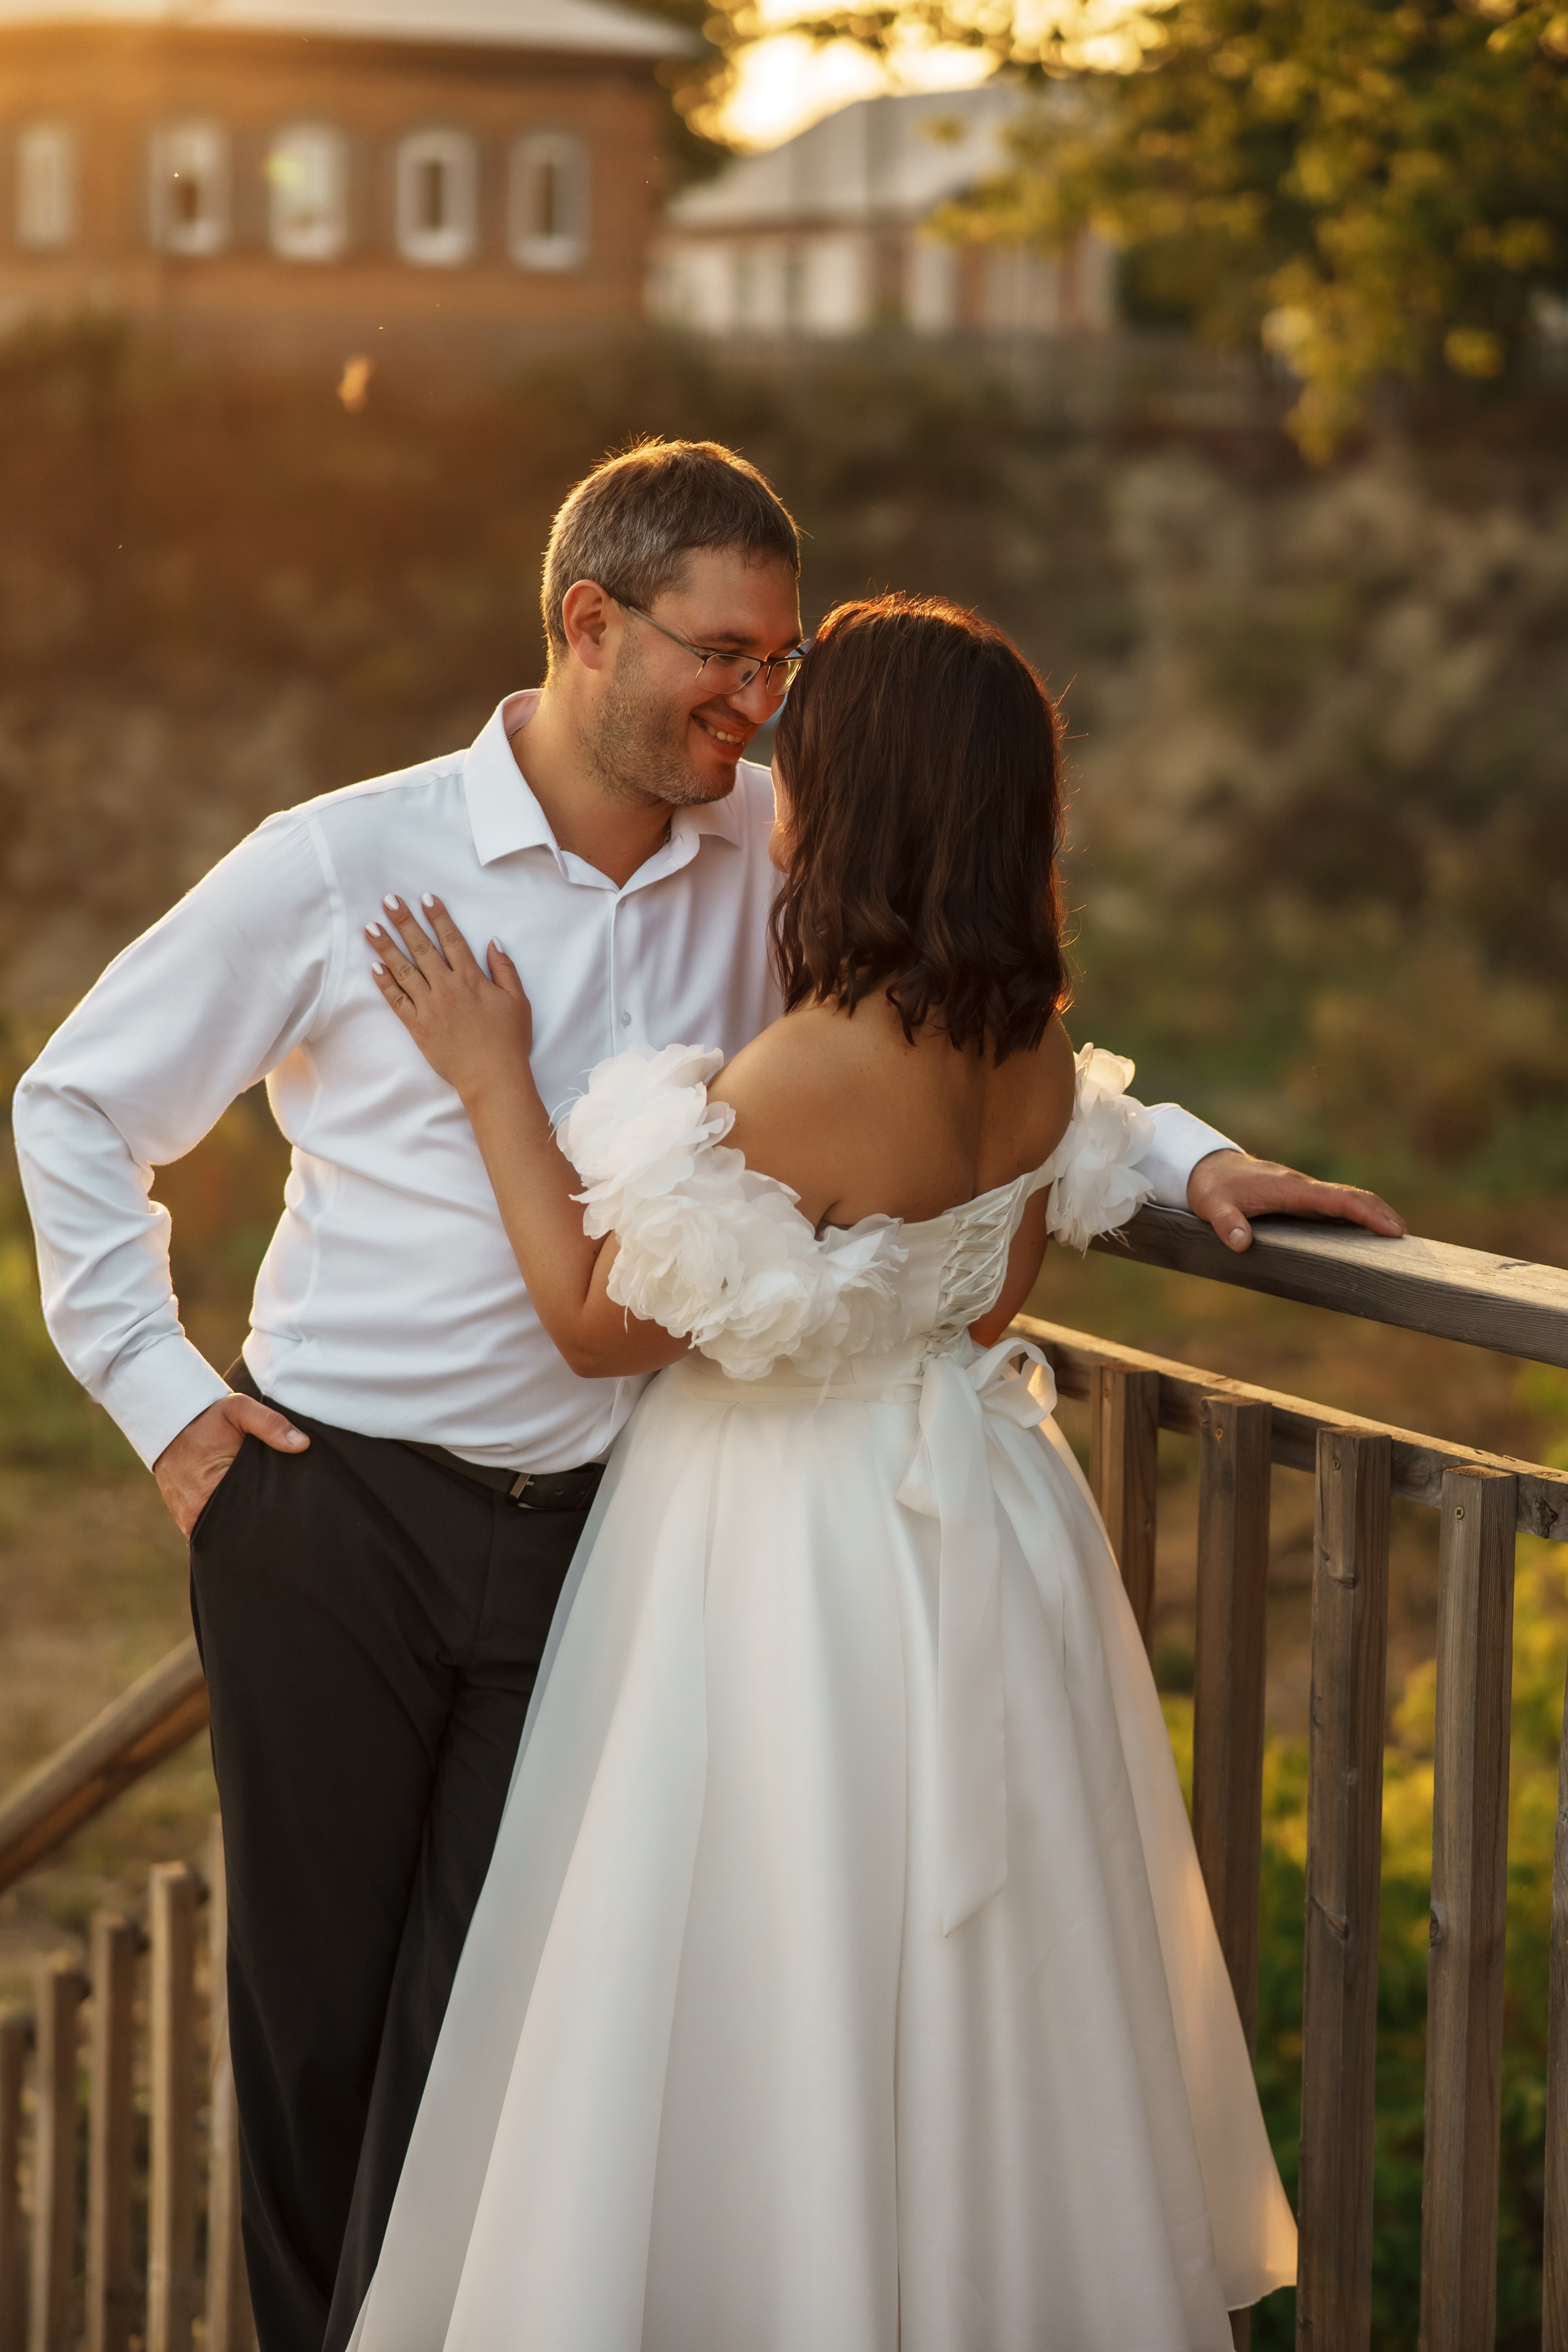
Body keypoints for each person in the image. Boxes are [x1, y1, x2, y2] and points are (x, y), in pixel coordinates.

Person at [12, 443, 1401, 2352]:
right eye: (727, 659)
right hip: (337, 1510)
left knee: (505, 2045)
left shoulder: (785, 844)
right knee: (317, 2033)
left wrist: (1193, 1163)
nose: (759, 709)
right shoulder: (342, 860)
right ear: (593, 623)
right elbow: (76, 1106)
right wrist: (168, 1405)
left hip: (611, 1537)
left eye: (784, 664)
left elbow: (967, 1025)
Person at [340, 591, 1305, 2349]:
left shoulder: (801, 1077)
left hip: (776, 1551)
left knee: (759, 1954)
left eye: (800, 747)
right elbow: (990, 1289)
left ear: (857, 802)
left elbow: (588, 1316)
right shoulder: (1020, 1056)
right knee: (964, 1982)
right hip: (983, 1533)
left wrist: (492, 1077)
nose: (768, 765)